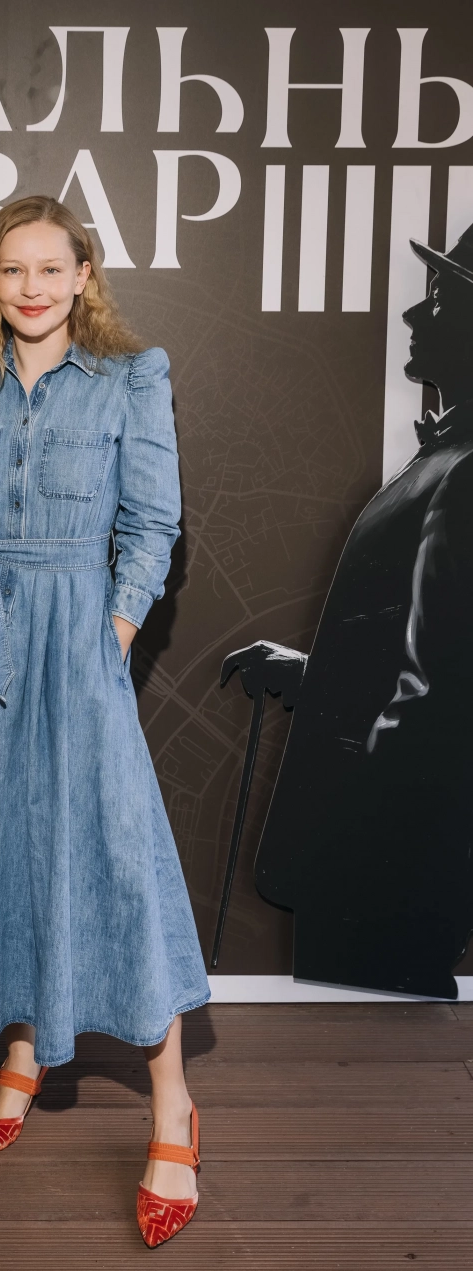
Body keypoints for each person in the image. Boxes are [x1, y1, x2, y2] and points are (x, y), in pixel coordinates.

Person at [0, 195, 210, 1247]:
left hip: (78, 642)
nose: (31, 287)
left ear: (83, 277)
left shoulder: (130, 376)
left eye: (50, 268)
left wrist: (109, 637)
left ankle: (173, 1105)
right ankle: (21, 1053)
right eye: (12, 269)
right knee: (2, 850)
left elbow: (152, 523)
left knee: (113, 861)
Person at [229, 223, 473, 999]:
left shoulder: (463, 474)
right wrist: (312, 674)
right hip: (378, 862)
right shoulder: (444, 461)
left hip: (381, 864)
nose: (415, 315)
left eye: (440, 301)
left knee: (373, 1027)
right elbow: (412, 659)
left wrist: (349, 832)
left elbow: (435, 695)